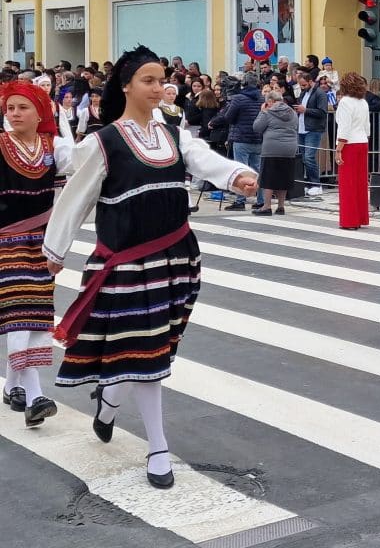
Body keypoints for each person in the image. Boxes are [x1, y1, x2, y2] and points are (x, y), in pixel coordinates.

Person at [43, 45, 258, 490]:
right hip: (126, 266)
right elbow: (75, 198)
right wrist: (55, 251)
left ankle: (108, 403)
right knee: (146, 351)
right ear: (126, 86)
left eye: (162, 80)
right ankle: (158, 447)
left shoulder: (175, 132)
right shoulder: (104, 142)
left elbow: (203, 160)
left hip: (177, 258)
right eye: (149, 80)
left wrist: (236, 175)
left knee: (152, 346)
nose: (159, 88)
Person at [0, 82, 75, 427]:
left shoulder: (53, 147)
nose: (14, 114)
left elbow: (81, 168)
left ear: (40, 112)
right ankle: (35, 396)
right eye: (10, 108)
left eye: (22, 108)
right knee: (18, 312)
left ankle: (12, 385)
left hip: (42, 242)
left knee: (34, 312)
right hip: (4, 243)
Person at [210, 72, 265, 212]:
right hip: (258, 137)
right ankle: (261, 200)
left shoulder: (239, 98)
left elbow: (228, 117)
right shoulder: (262, 98)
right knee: (257, 170)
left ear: (244, 83)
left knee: (241, 170)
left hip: (241, 137)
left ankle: (240, 200)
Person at [252, 90, 298, 215]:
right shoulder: (292, 113)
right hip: (290, 148)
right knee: (284, 177)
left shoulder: (268, 112)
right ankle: (281, 206)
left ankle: (266, 206)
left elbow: (257, 127)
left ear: (270, 101)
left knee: (268, 178)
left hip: (272, 148)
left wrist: (262, 111)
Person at [335, 72, 371, 230]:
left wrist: (338, 149)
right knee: (360, 182)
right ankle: (361, 217)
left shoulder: (344, 102)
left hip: (349, 143)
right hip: (363, 141)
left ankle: (350, 220)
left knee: (347, 183)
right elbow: (367, 126)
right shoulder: (363, 102)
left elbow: (344, 127)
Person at [293, 71, 329, 197]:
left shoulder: (320, 94)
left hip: (313, 130)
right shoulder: (304, 93)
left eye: (303, 85)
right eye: (300, 85)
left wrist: (305, 110)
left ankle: (316, 184)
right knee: (304, 158)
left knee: (309, 157)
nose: (302, 87)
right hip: (302, 128)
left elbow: (322, 112)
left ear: (310, 82)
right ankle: (309, 183)